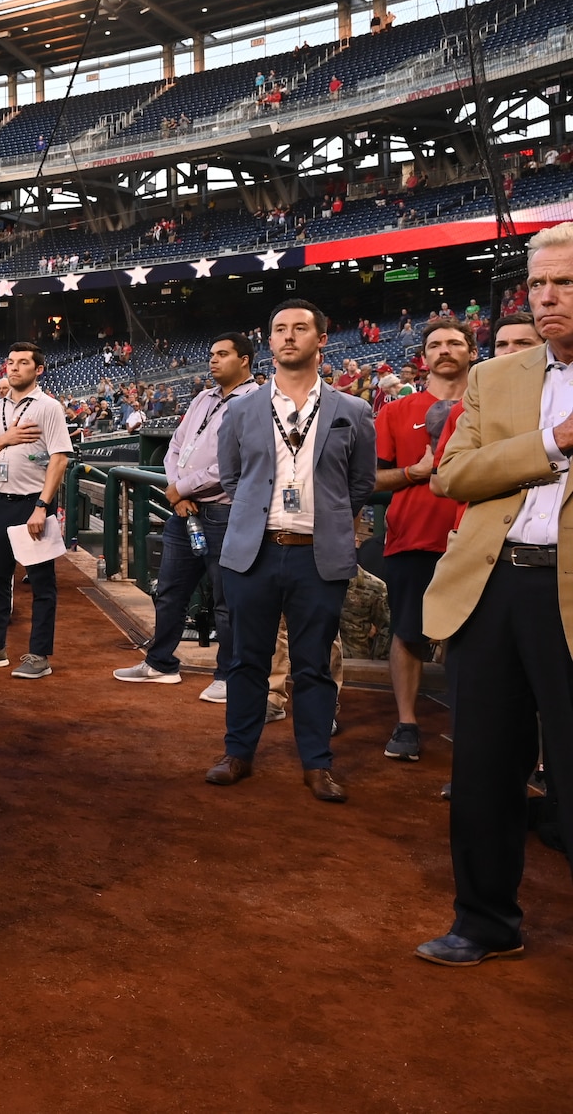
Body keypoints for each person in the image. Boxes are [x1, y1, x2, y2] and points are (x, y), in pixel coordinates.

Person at [414, 225, 573, 965]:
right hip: (493, 583)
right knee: (482, 766)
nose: (547, 298)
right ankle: (485, 920)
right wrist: (553, 444)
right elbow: (453, 476)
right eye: (538, 285)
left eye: (564, 284)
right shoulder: (495, 376)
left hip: (567, 593)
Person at [206, 299, 374, 802]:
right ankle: (238, 752)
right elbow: (233, 478)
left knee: (313, 665)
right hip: (254, 552)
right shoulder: (240, 410)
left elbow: (361, 483)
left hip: (317, 556)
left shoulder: (353, 410)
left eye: (300, 328)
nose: (288, 336)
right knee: (245, 661)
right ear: (270, 340)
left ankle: (317, 764)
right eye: (280, 329)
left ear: (321, 340)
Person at [114, 333, 257, 693]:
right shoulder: (202, 398)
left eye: (223, 354)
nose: (213, 360)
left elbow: (234, 466)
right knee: (170, 592)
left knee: (227, 601)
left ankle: (228, 676)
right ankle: (161, 662)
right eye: (211, 353)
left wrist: (183, 487)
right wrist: (177, 493)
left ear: (245, 360)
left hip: (225, 514)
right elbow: (176, 447)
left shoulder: (255, 401)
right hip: (185, 512)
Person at [370, 320, 471, 764]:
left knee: (472, 641)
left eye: (455, 343)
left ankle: (471, 731)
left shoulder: (490, 404)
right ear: (423, 357)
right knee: (408, 632)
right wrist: (415, 472)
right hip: (413, 537)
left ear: (472, 351)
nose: (445, 350)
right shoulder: (396, 411)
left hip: (476, 539)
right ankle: (407, 722)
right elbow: (369, 479)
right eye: (435, 345)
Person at [0, 343, 73, 678]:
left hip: (32, 504)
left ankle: (39, 655)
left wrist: (42, 506)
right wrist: (5, 440)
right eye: (10, 362)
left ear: (38, 370)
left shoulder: (48, 407)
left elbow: (60, 458)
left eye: (23, 363)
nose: (14, 367)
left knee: (41, 583)